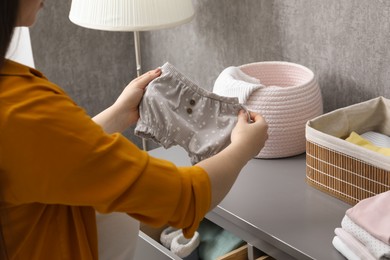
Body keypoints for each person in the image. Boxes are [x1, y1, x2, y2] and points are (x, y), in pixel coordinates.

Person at [0, 0, 268, 259]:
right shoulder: (22, 110)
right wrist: (243, 148)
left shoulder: (14, 93)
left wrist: (118, 114)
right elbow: (182, 198)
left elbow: (52, 158)